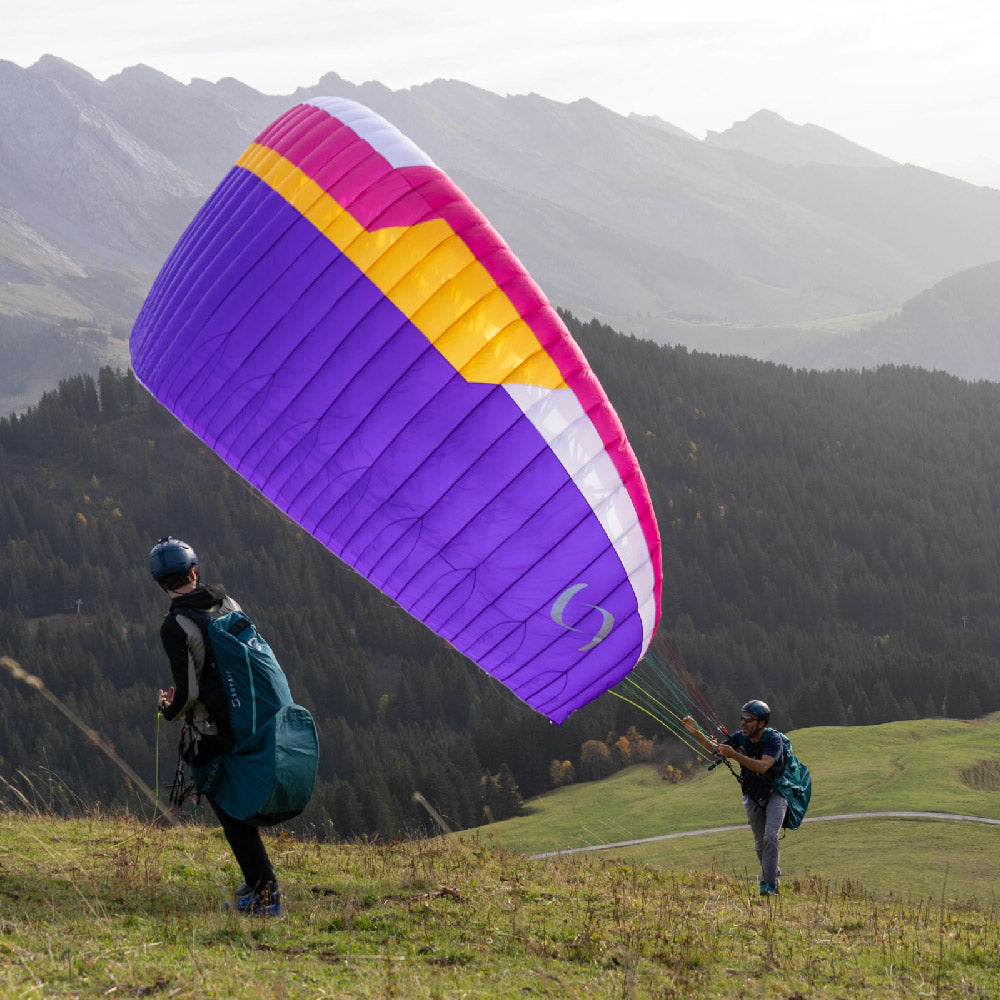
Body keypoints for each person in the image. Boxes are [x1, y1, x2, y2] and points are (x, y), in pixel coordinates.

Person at [149, 536, 281, 917]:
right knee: (234, 805)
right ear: (194, 571)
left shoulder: (175, 625)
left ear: (161, 583)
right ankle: (257, 886)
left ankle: (265, 896)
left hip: (215, 731)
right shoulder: (227, 603)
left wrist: (167, 710)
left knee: (230, 811)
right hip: (253, 714)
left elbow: (188, 692)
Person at [682, 700, 786, 896]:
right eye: (742, 718)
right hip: (752, 794)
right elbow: (716, 751)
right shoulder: (739, 738)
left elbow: (764, 766)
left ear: (761, 723)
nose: (743, 722)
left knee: (770, 836)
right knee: (760, 843)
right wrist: (696, 733)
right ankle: (772, 870)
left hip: (777, 793)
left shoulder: (774, 740)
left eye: (749, 719)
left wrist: (735, 755)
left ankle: (769, 885)